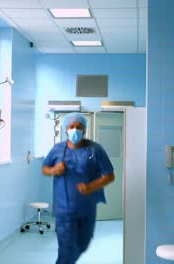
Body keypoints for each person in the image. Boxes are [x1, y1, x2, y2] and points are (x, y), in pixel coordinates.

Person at [42, 112, 115, 264]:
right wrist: (54, 170)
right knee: (66, 251)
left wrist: (91, 186)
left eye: (79, 127)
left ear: (84, 130)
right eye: (71, 126)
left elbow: (110, 175)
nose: (75, 129)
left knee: (83, 244)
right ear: (65, 129)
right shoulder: (57, 149)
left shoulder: (95, 149)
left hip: (87, 209)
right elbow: (45, 169)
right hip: (65, 210)